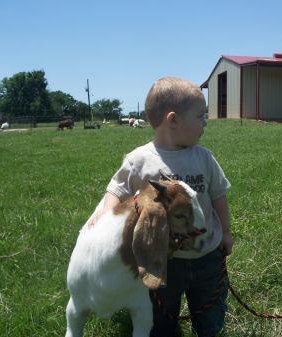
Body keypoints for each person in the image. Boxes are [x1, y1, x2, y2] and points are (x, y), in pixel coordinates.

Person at [88, 76, 233, 337]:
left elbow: (219, 196)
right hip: (161, 260)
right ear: (173, 120)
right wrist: (104, 214)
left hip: (208, 256)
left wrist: (226, 232)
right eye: (201, 116)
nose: (205, 123)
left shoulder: (204, 158)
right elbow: (117, 188)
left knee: (211, 316)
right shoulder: (139, 160)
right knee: (160, 320)